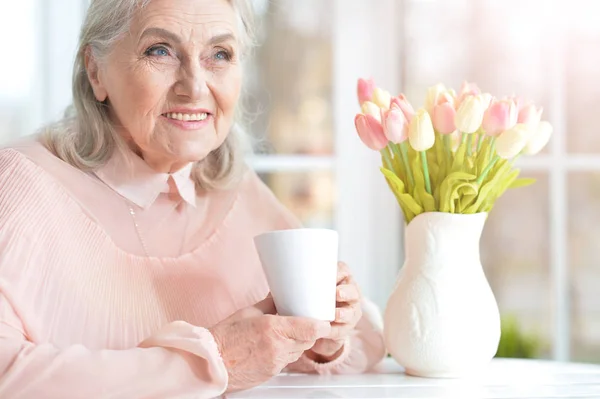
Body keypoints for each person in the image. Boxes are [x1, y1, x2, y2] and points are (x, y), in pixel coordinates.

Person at [0, 0, 386, 397]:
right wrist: (213, 362)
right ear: (95, 69)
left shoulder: (236, 191)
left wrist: (325, 338)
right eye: (160, 51)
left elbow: (368, 345)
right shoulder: (19, 183)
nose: (196, 87)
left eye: (220, 54)